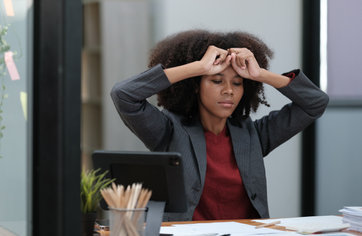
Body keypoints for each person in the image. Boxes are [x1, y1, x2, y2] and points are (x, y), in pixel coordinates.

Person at [110, 29, 329, 221]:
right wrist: (196, 67)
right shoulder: (168, 131)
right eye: (216, 80)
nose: (229, 90)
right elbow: (123, 95)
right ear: (196, 86)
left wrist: (259, 74)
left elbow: (315, 103)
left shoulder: (253, 134)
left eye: (237, 83)